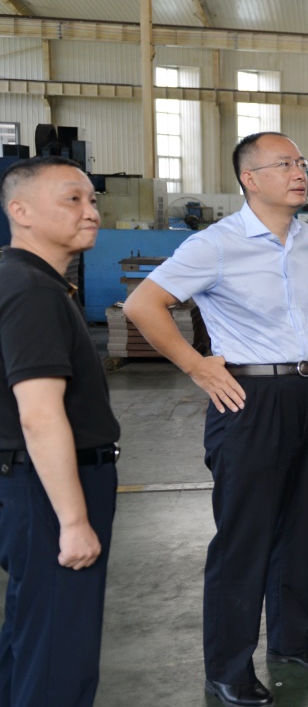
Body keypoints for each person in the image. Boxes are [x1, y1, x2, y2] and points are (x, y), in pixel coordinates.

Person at [124, 132, 308, 706]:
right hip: (248, 399)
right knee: (245, 536)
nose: (299, 172)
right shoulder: (216, 244)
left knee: (301, 525)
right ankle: (227, 667)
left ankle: (292, 639)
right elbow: (143, 304)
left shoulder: (304, 236)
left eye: (300, 162)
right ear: (250, 178)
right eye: (284, 164)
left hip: (306, 392)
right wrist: (196, 366)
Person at [0, 156, 120, 707]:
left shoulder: (20, 278)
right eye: (72, 199)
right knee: (59, 651)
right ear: (20, 211)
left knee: (32, 635)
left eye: (92, 200)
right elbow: (40, 413)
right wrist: (73, 521)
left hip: (29, 483)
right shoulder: (34, 291)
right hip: (50, 488)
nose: (90, 211)